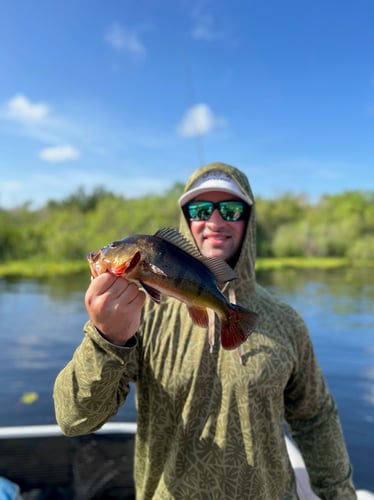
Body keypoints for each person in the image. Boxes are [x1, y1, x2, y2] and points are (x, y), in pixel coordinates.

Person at [53, 162, 357, 499]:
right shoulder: (138, 315)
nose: (214, 221)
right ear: (186, 218)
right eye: (200, 210)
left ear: (249, 220)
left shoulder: (287, 322)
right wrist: (107, 338)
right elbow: (74, 419)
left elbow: (316, 419)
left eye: (230, 209)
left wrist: (340, 494)